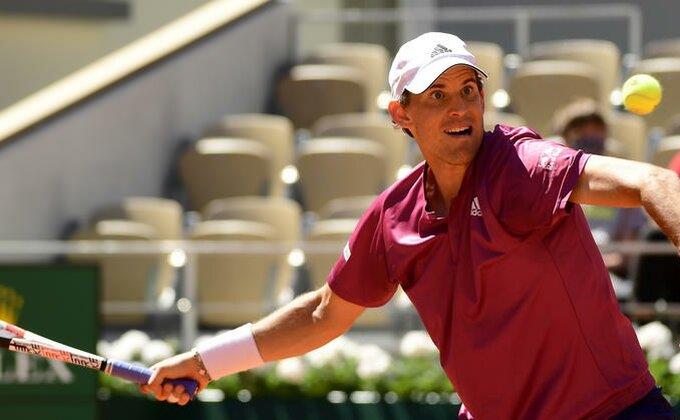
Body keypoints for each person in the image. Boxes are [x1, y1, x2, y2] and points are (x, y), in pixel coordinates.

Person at [142, 33, 680, 418]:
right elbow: (325, 313)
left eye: (468, 90)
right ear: (401, 115)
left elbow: (652, 181)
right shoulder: (392, 218)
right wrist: (205, 362)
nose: (459, 108)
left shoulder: (522, 166)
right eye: (437, 96)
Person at [552, 99, 647, 293]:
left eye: (596, 132)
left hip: (607, 280)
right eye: (581, 133)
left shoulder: (624, 187)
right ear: (565, 139)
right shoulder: (548, 187)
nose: (590, 139)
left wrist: (589, 265)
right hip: (556, 277)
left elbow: (626, 256)